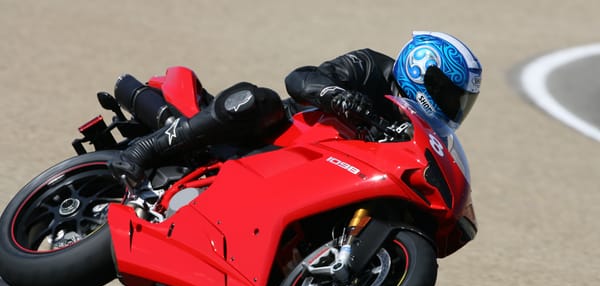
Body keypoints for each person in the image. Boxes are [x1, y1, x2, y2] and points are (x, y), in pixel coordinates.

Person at [109, 31, 482, 188]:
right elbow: (301, 78)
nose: (454, 108)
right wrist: (337, 95)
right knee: (260, 99)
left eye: (460, 102)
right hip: (275, 136)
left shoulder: (409, 125)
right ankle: (145, 149)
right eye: (450, 96)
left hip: (317, 174)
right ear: (423, 72)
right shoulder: (370, 67)